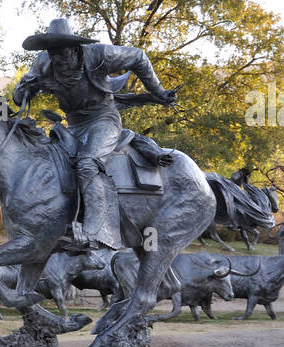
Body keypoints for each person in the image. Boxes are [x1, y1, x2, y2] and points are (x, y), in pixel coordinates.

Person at [13, 17, 177, 249]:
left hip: (103, 120)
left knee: (87, 164)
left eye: (62, 53)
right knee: (51, 165)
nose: (56, 59)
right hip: (73, 125)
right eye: (52, 53)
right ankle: (60, 223)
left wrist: (158, 91)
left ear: (75, 48)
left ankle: (95, 233)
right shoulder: (43, 63)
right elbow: (19, 96)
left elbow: (138, 57)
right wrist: (24, 90)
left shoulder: (99, 55)